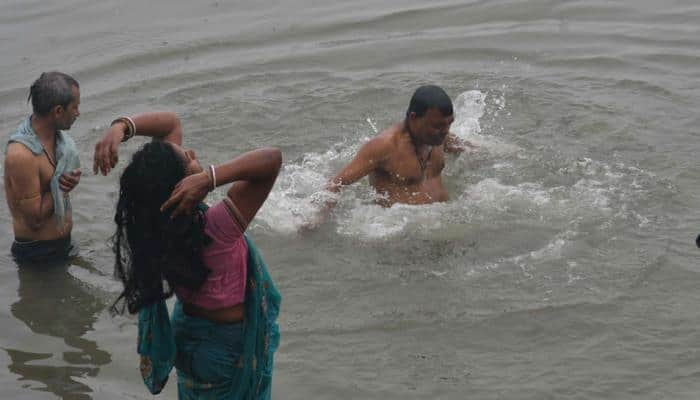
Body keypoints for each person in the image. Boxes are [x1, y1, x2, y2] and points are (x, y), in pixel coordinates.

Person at [93, 112, 282, 399]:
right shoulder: (217, 228)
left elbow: (171, 125)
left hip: (191, 339)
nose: (192, 152)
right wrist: (210, 178)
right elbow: (271, 160)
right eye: (188, 158)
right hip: (227, 350)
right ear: (183, 186)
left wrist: (121, 127)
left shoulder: (156, 226)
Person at [306, 85, 476, 228]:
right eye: (438, 125)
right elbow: (336, 184)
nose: (445, 131)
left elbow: (471, 149)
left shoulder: (439, 136)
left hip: (443, 222)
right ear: (413, 118)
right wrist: (315, 219)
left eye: (449, 123)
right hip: (400, 233)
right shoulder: (384, 147)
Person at [4, 71, 82, 264]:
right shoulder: (22, 156)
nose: (78, 113)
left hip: (63, 244)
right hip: (37, 255)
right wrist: (63, 186)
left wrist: (67, 181)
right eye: (75, 107)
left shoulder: (58, 140)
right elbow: (34, 220)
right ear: (58, 111)